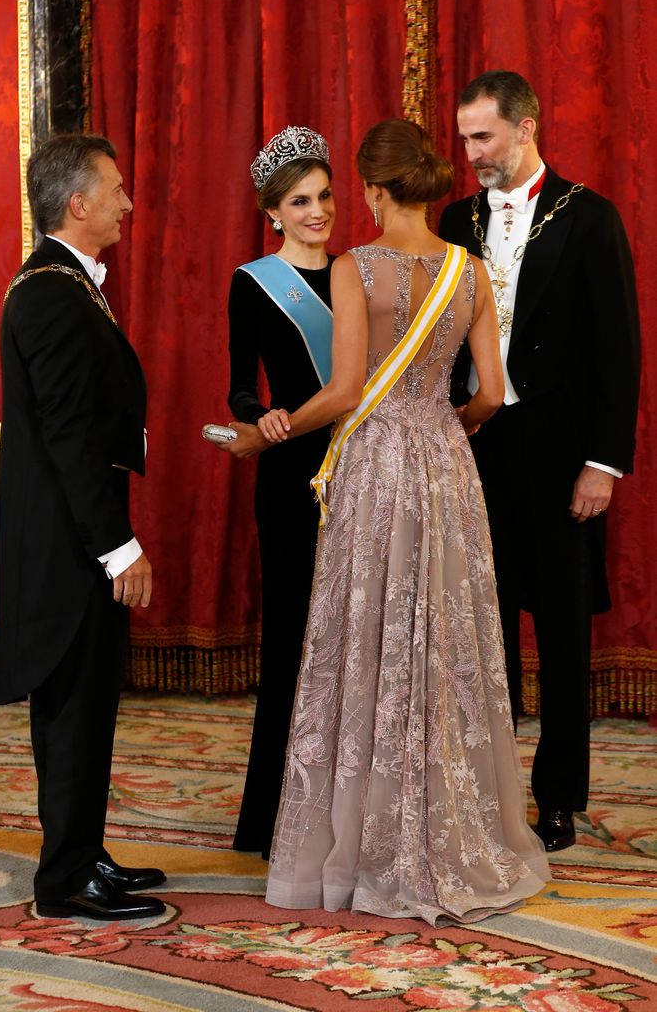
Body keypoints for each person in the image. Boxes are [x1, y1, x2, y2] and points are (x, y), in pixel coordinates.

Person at [260, 117, 549, 925]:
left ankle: (363, 840)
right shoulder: (471, 272)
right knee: (444, 645)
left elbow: (347, 389)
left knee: (368, 641)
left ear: (373, 191)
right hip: (446, 465)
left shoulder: (355, 267)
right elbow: (492, 393)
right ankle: (454, 830)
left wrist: (272, 427)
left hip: (378, 466)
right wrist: (449, 422)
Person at [438, 71, 641, 852]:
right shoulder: (456, 219)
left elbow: (620, 354)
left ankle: (557, 798)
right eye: (464, 140)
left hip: (562, 460)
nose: (472, 154)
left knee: (559, 634)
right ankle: (482, 788)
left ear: (526, 128)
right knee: (477, 630)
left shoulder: (590, 218)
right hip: (477, 451)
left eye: (483, 137)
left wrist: (604, 464)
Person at [0, 134, 166, 920]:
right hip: (70, 546)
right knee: (71, 711)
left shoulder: (65, 285)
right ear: (78, 202)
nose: (128, 202)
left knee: (89, 707)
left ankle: (85, 851)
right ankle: (63, 880)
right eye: (117, 189)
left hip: (76, 536)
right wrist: (118, 547)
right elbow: (66, 435)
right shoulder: (51, 292)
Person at [220, 127, 336, 860]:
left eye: (325, 196)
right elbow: (238, 381)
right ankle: (273, 818)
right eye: (301, 201)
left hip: (362, 465)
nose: (318, 212)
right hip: (291, 473)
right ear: (274, 212)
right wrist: (254, 412)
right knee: (294, 641)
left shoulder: (360, 272)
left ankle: (346, 810)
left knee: (356, 642)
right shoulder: (254, 282)